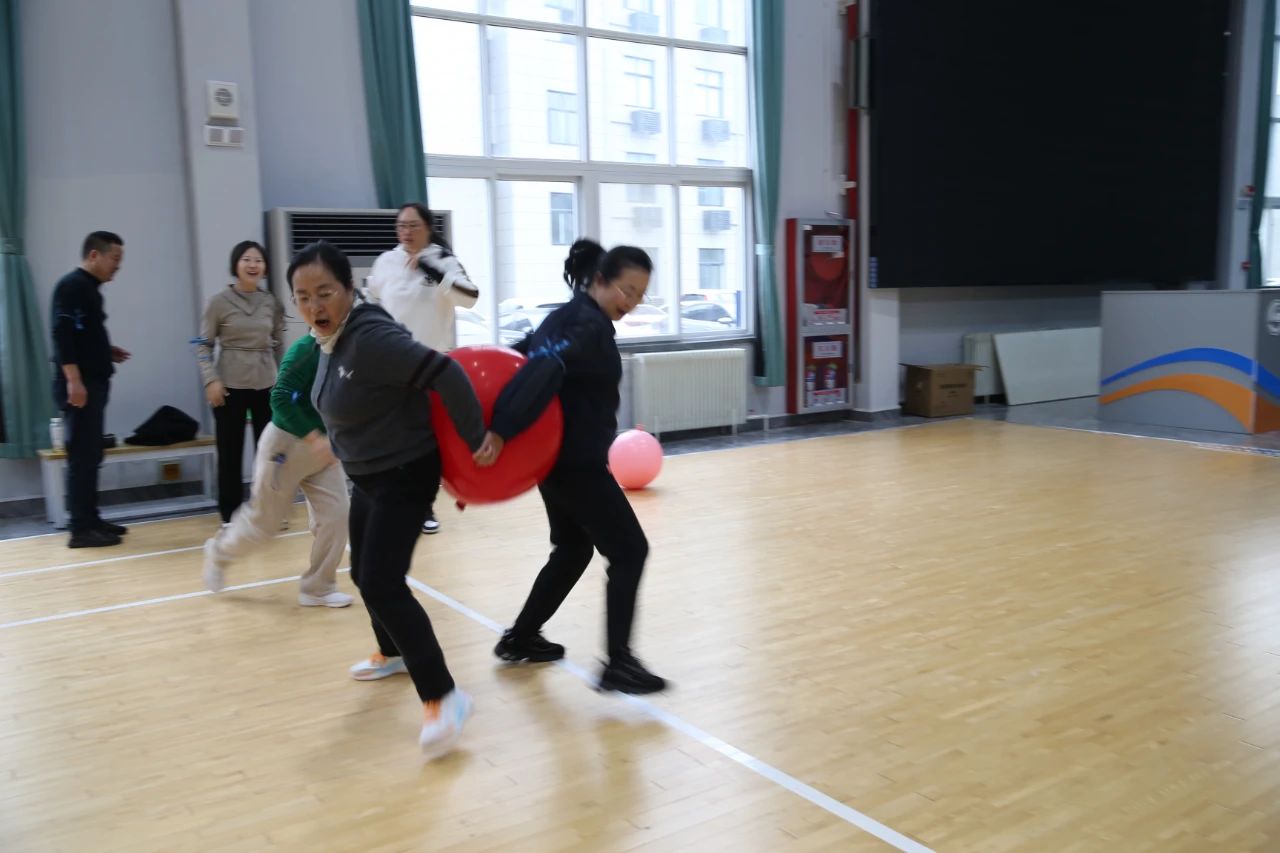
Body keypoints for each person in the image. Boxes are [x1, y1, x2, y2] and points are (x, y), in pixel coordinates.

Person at [290, 240, 498, 758]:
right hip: (370, 475)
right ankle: (392, 652)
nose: (314, 306)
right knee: (365, 575)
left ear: (348, 288)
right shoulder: (332, 339)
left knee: (383, 583)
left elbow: (446, 372)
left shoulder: (371, 337)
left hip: (404, 473)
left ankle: (444, 696)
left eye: (324, 293)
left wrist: (475, 438)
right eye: (303, 297)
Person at [478, 239, 667, 694]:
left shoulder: (565, 317)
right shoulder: (586, 325)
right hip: (577, 466)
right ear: (599, 280)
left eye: (639, 295)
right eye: (625, 290)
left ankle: (521, 637)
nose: (631, 301)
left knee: (573, 548)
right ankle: (618, 663)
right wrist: (501, 429)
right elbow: (541, 368)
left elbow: (517, 357)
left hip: (556, 463)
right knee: (629, 551)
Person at [200, 331, 354, 608]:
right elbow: (279, 398)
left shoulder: (351, 351)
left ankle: (318, 588)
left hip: (324, 452)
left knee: (336, 516)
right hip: (285, 447)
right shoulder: (305, 351)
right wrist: (313, 438)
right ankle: (218, 553)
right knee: (264, 524)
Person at [366, 202, 479, 535]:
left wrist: (433, 270)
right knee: (389, 437)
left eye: (413, 225)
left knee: (425, 441)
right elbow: (370, 302)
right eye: (401, 226)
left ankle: (424, 506)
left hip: (431, 365)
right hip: (391, 364)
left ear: (428, 228)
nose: (406, 232)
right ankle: (385, 503)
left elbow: (470, 297)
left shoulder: (443, 259)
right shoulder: (386, 261)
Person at [50, 231, 131, 549]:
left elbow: (82, 334)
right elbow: (62, 335)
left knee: (92, 454)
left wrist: (105, 351)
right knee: (82, 457)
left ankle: (92, 519)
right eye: (115, 259)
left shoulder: (90, 289)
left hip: (93, 382)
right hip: (80, 386)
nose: (118, 267)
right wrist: (74, 380)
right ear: (94, 255)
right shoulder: (72, 286)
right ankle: (80, 529)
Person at [195, 240, 285, 524]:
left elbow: (280, 344)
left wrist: (284, 381)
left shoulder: (271, 302)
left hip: (265, 383)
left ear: (265, 267)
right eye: (246, 259)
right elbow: (202, 345)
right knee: (230, 453)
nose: (252, 265)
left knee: (270, 451)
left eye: (258, 260)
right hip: (229, 385)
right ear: (235, 264)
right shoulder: (218, 302)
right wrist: (211, 380)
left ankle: (269, 509)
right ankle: (230, 515)